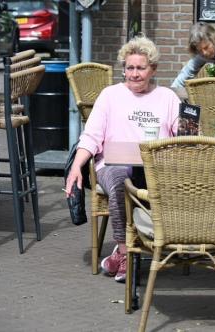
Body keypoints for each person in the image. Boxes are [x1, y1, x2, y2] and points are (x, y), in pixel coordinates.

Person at [65, 35, 181, 282]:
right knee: (119, 179)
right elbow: (91, 136)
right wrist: (77, 166)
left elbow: (182, 136)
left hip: (155, 169)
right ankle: (127, 252)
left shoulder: (167, 97)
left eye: (141, 68)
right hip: (112, 165)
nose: (135, 74)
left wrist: (190, 129)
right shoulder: (110, 95)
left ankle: (120, 254)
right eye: (130, 68)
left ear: (153, 70)